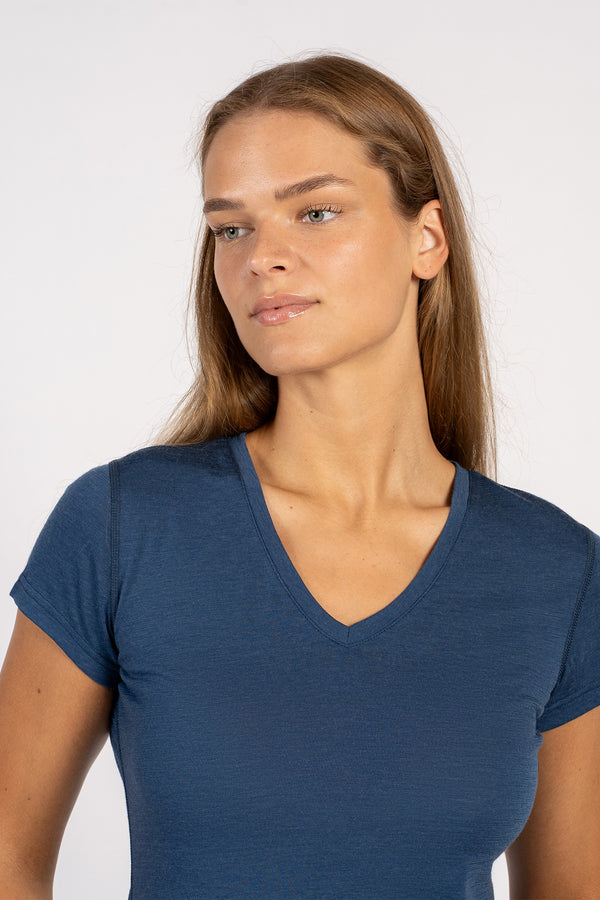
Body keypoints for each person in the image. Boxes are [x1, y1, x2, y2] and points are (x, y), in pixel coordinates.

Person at [1, 52, 599, 900]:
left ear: (427, 239)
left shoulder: (557, 572)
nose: (262, 257)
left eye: (315, 212)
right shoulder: (122, 527)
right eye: (231, 228)